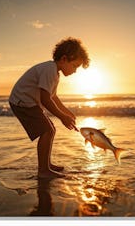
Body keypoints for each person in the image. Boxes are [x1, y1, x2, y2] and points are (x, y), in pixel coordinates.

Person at [9, 37, 90, 178]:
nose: (75, 71)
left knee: (50, 130)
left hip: (28, 102)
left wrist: (66, 112)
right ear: (64, 59)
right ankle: (43, 170)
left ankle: (46, 165)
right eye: (75, 66)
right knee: (47, 130)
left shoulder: (54, 73)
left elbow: (53, 97)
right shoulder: (49, 70)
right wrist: (62, 117)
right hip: (22, 102)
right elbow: (45, 99)